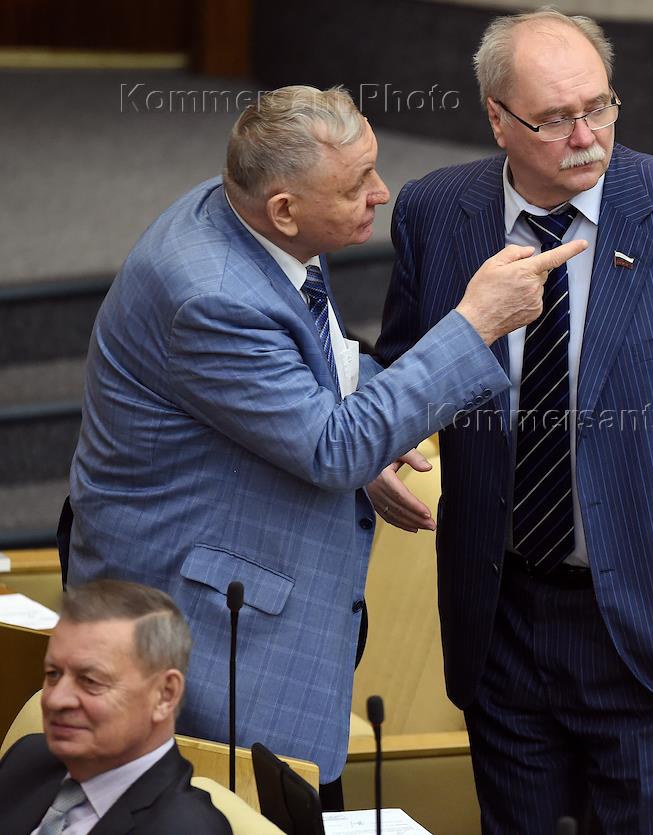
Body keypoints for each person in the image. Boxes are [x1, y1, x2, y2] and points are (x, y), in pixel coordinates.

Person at [373, 8, 653, 831]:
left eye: (600, 106)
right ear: (498, 120)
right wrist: (375, 448)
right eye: (555, 119)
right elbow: (406, 365)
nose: (587, 136)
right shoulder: (436, 212)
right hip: (501, 617)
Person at [65, 84, 585, 797]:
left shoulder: (257, 218)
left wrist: (367, 432)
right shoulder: (211, 295)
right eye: (356, 184)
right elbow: (331, 450)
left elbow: (312, 362)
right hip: (209, 641)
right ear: (283, 208)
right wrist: (477, 324)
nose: (381, 193)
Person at [0, 580, 232, 834]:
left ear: (164, 695)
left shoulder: (184, 828)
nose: (56, 699)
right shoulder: (29, 759)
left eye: (90, 681)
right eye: (53, 674)